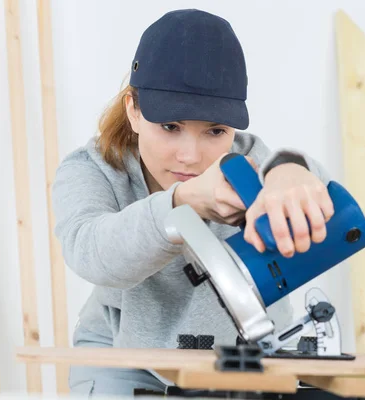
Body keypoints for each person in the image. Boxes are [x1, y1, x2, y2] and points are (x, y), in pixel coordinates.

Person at [53, 8, 334, 397]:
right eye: (171, 127)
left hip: (245, 357)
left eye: (214, 131)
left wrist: (294, 169)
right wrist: (182, 202)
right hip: (126, 356)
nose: (190, 156)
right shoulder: (93, 169)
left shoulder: (249, 161)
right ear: (134, 110)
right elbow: (91, 252)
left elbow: (318, 192)